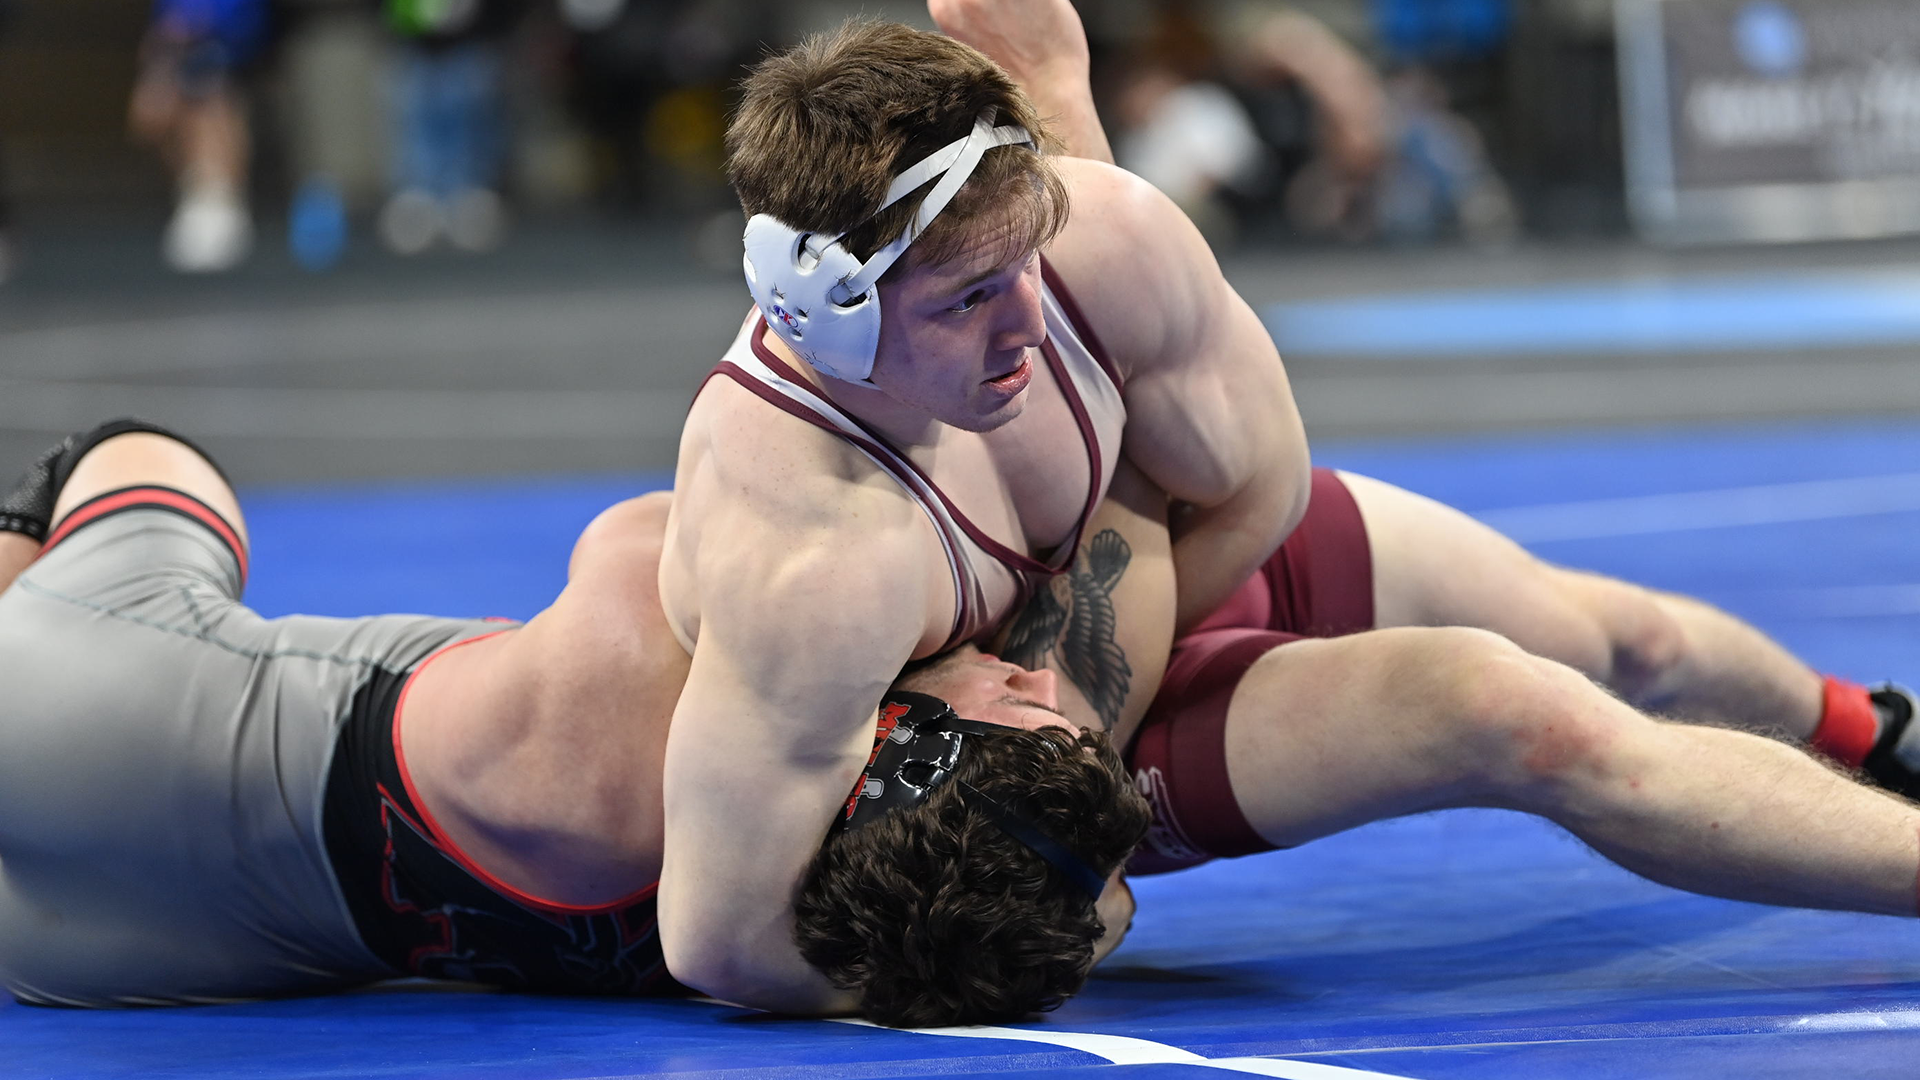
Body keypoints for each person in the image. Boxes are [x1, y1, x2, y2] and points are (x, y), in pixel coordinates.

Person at [655, 4, 1920, 1022]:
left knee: (1626, 641)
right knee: (1523, 718)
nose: (1028, 327)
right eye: (971, 300)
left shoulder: (1109, 244)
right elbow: (721, 940)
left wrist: (1127, 563)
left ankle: (1872, 726)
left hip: (1175, 585)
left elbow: (1258, 492)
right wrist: (1029, 906)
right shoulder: (810, 557)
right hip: (1063, 756)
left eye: (1028, 265)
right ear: (831, 313)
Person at [0, 420, 1145, 1010]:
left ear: (903, 748)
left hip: (115, 710)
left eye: (1013, 705)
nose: (1029, 676)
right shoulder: (822, 950)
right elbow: (1095, 918)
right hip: (136, 959)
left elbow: (695, 521)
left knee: (132, 458)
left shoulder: (647, 654)